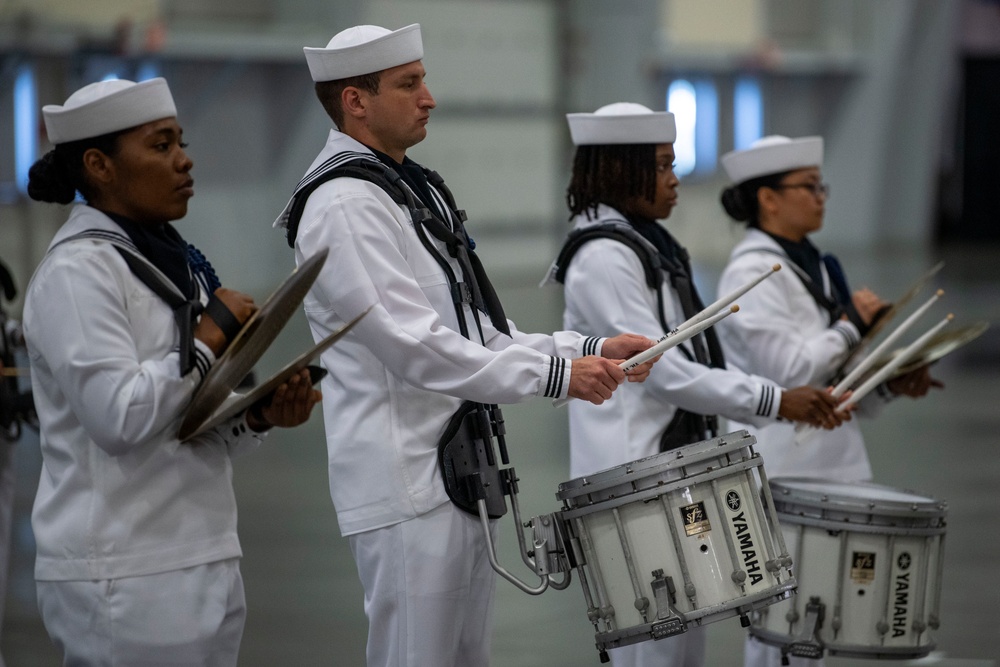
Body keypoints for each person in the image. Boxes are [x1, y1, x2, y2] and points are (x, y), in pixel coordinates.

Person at [273, 24, 657, 667]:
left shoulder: (400, 189)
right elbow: (414, 346)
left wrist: (586, 346)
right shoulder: (345, 203)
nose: (429, 97)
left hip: (454, 476)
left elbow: (478, 332)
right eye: (409, 83)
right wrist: (557, 377)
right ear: (355, 102)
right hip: (407, 486)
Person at [22, 77, 322, 666]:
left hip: (198, 552)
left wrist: (254, 415)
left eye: (179, 142)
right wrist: (208, 339)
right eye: (161, 146)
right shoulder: (79, 274)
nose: (185, 160)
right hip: (122, 571)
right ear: (99, 165)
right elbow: (119, 419)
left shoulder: (170, 260)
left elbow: (181, 424)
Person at [544, 104, 851, 667]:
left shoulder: (643, 243)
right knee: (657, 647)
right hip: (633, 478)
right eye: (661, 166)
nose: (674, 179)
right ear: (621, 170)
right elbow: (665, 373)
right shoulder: (604, 256)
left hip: (668, 472)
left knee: (684, 643)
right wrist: (774, 398)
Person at [716, 135, 940, 667]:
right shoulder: (751, 272)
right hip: (781, 469)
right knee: (782, 628)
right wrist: (850, 326)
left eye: (822, 186)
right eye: (808, 187)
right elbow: (788, 374)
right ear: (768, 198)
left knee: (819, 618)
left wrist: (887, 381)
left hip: (827, 463)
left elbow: (830, 381)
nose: (821, 196)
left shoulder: (813, 264)